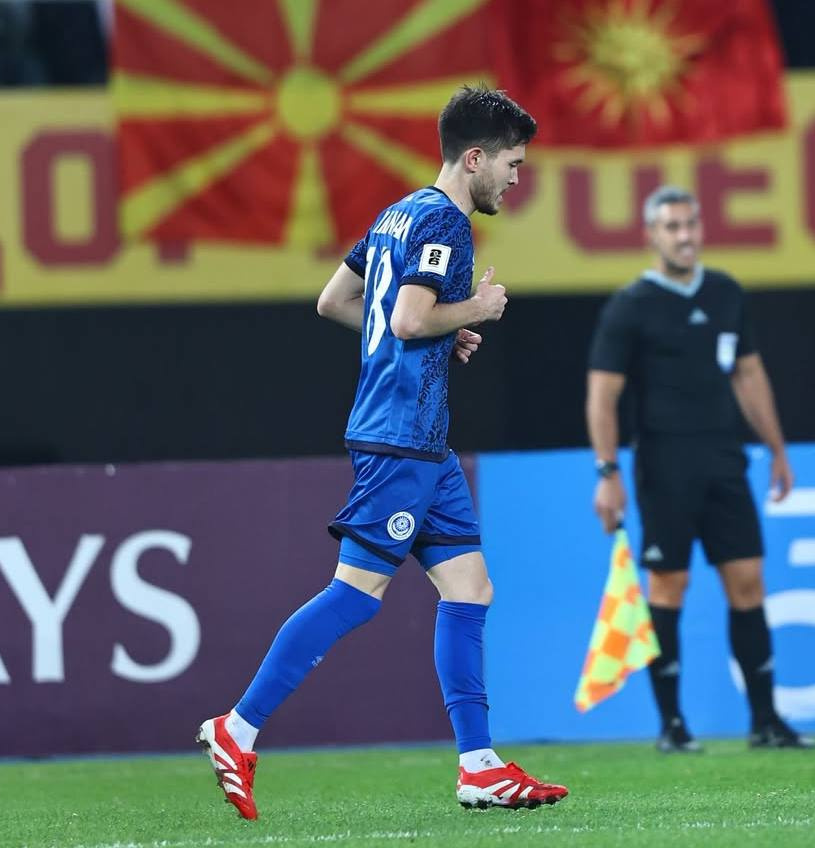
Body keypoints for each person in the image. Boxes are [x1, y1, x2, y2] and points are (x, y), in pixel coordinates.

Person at [197, 85, 568, 819]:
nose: (515, 179)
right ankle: (236, 729)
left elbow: (337, 301)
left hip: (424, 443)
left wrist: (440, 333)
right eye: (512, 165)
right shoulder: (447, 223)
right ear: (475, 158)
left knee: (470, 589)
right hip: (400, 438)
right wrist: (474, 310)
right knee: (355, 593)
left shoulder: (397, 213)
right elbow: (404, 319)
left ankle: (479, 766)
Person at [585, 185, 815, 753]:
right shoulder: (631, 305)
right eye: (672, 226)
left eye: (691, 224)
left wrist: (777, 448)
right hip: (664, 465)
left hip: (725, 461)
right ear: (651, 235)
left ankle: (766, 721)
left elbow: (749, 374)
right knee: (669, 585)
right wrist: (607, 471)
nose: (684, 235)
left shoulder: (725, 292)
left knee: (748, 581)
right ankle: (672, 725)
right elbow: (602, 395)